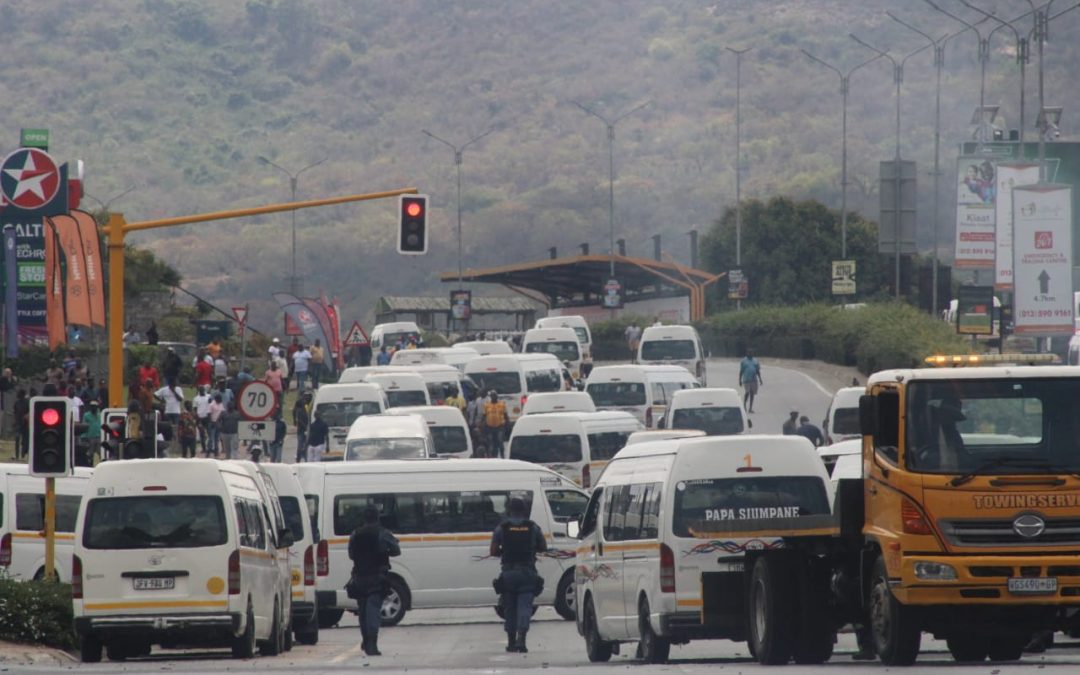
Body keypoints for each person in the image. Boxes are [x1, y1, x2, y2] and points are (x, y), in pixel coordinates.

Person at [490, 497, 547, 653]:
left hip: (509, 574)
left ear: (509, 511)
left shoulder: (502, 527)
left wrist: (505, 551)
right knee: (524, 607)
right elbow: (543, 547)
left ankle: (510, 642)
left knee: (509, 607)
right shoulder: (533, 527)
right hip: (527, 573)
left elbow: (493, 551)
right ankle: (521, 640)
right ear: (524, 511)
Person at [347, 505, 401, 656]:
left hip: (359, 577)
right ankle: (371, 643)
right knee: (372, 611)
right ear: (377, 517)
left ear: (364, 518)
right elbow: (396, 551)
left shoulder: (355, 534)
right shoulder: (383, 533)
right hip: (376, 577)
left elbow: (351, 554)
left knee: (363, 612)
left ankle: (366, 641)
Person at [155, 382, 185, 455]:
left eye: (174, 386)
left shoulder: (178, 389)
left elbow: (180, 399)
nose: (173, 387)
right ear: (169, 385)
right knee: (169, 429)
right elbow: (155, 394)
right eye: (172, 386)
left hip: (176, 412)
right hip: (167, 412)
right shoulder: (164, 390)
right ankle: (169, 446)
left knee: (176, 429)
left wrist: (174, 391)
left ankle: (176, 445)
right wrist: (161, 400)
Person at [483, 391, 509, 459]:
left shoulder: (502, 405)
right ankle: (491, 457)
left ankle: (502, 456)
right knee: (491, 443)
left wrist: (507, 425)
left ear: (497, 397)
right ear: (490, 397)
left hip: (499, 427)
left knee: (500, 441)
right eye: (492, 396)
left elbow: (505, 415)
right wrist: (483, 426)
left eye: (495, 396)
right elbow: (484, 416)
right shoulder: (486, 405)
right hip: (489, 427)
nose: (493, 397)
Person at [738, 349, 763, 413]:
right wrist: (740, 380)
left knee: (752, 394)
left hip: (754, 380)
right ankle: (744, 404)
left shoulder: (755, 361)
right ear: (747, 353)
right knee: (747, 392)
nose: (750, 354)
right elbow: (741, 371)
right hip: (746, 380)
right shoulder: (743, 361)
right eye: (749, 353)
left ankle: (750, 408)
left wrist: (760, 379)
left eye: (751, 353)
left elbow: (757, 371)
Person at [193, 385, 213, 454]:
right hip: (200, 418)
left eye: (202, 389)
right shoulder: (196, 398)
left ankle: (210, 448)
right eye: (200, 390)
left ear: (204, 390)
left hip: (207, 418)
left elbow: (212, 404)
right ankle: (204, 448)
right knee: (202, 435)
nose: (202, 391)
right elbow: (195, 409)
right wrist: (197, 417)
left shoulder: (209, 396)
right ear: (199, 390)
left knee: (210, 434)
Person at [294, 391, 312, 462]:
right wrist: (295, 421)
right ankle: (298, 459)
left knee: (307, 446)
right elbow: (298, 418)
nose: (307, 399)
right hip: (301, 430)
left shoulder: (311, 406)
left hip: (309, 429)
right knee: (300, 446)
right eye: (306, 397)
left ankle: (306, 458)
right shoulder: (300, 408)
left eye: (309, 397)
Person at [13, 389, 29, 460]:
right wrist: (14, 421)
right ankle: (17, 455)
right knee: (17, 438)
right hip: (18, 423)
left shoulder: (27, 402)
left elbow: (30, 411)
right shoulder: (17, 402)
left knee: (25, 439)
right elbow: (15, 412)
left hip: (25, 423)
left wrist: (27, 415)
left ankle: (23, 454)